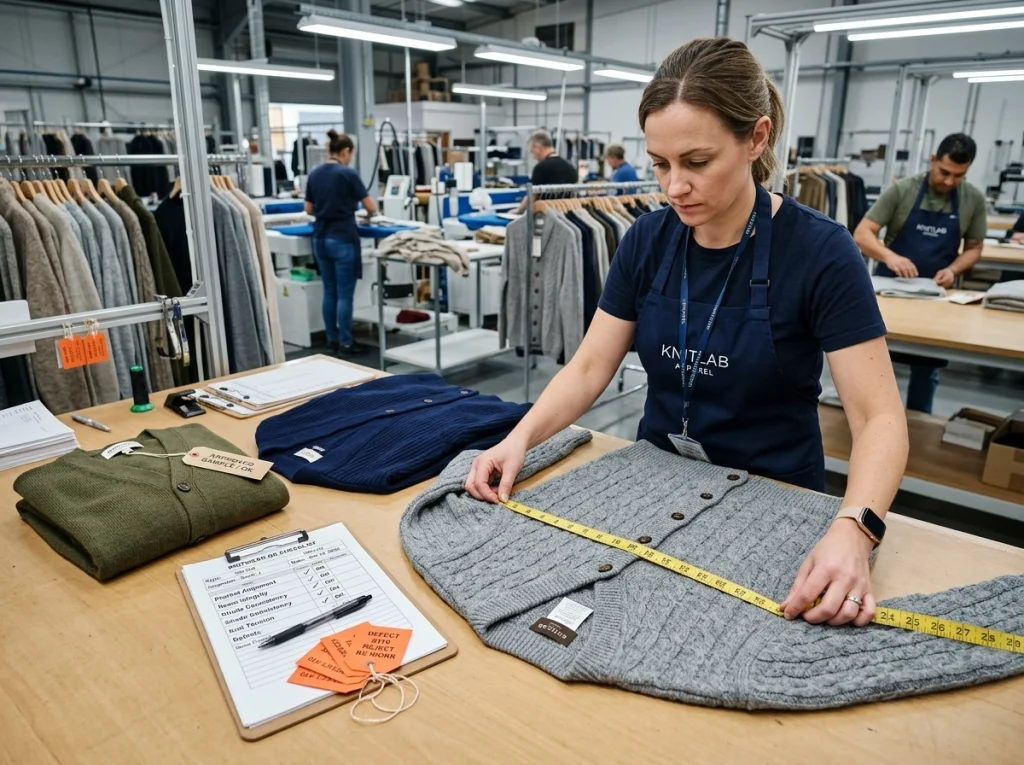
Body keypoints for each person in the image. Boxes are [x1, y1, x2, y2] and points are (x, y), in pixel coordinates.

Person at [466, 38, 909, 629]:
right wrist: (519, 440)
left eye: (696, 162)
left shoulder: (821, 252)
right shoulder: (647, 240)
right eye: (660, 163)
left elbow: (878, 416)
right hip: (654, 485)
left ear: (756, 138)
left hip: (776, 500)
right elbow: (590, 366)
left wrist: (856, 528)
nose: (674, 186)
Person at [854, 133, 987, 413]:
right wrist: (891, 257)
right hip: (891, 293)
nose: (949, 181)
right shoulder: (902, 190)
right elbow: (863, 234)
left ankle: (918, 420)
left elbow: (975, 247)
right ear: (933, 160)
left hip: (937, 299)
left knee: (926, 368)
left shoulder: (972, 199)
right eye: (944, 172)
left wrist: (953, 269)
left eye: (958, 175)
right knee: (874, 365)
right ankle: (871, 422)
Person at [304, 130, 378, 357]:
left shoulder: (315, 174)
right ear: (346, 151)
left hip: (320, 238)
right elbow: (371, 207)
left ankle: (331, 340)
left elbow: (308, 209)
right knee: (345, 295)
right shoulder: (348, 174)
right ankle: (346, 343)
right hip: (342, 238)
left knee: (330, 291)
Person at [514, 130, 578, 212]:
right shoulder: (570, 167)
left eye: (532, 152)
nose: (533, 157)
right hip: (568, 215)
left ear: (538, 147)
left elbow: (532, 197)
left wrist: (517, 211)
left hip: (546, 216)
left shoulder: (541, 168)